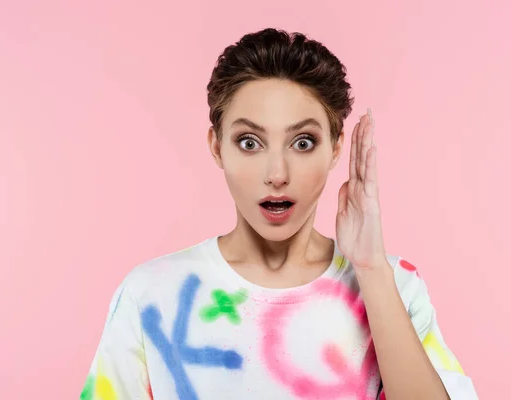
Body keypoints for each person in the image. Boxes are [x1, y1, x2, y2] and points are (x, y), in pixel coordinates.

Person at [79, 28, 478, 399]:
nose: (276, 174)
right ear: (217, 147)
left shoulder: (395, 287)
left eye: (302, 142)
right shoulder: (151, 293)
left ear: (336, 147)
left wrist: (371, 270)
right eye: (249, 142)